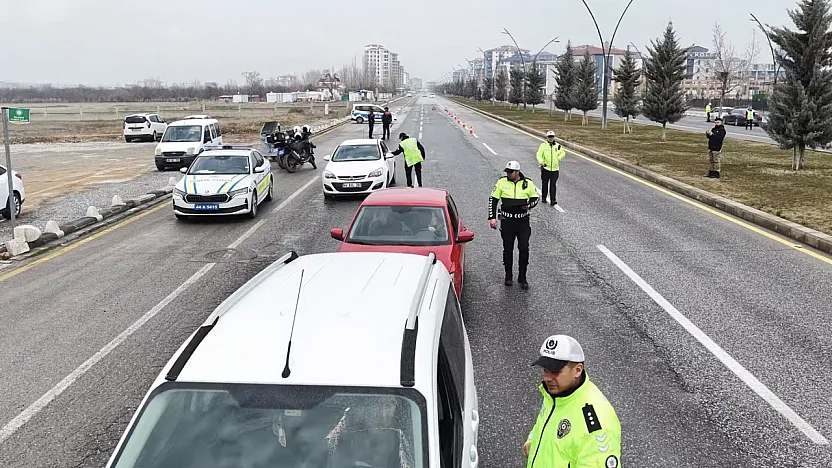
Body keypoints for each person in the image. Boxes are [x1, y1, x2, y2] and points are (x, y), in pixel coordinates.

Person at [522, 334, 621, 468]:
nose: (547, 378)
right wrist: (533, 440)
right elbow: (545, 420)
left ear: (577, 370)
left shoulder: (596, 423)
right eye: (545, 369)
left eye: (555, 371)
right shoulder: (556, 395)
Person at [488, 161, 539, 289]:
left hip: (522, 222)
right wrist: (492, 218)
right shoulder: (501, 182)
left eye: (510, 172)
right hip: (507, 221)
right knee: (508, 249)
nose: (508, 174)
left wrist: (528, 205)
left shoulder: (528, 183)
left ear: (517, 172)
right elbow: (493, 199)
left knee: (524, 249)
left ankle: (522, 277)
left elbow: (535, 198)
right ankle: (508, 276)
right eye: (507, 172)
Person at [536, 131, 566, 206]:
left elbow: (563, 153)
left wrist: (558, 158)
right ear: (547, 137)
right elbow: (539, 154)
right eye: (549, 137)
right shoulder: (543, 145)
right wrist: (541, 162)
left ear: (554, 137)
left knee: (553, 185)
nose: (551, 138)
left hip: (555, 169)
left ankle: (553, 200)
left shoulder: (558, 146)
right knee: (545, 184)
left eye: (552, 136)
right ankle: (544, 198)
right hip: (546, 168)